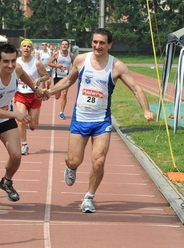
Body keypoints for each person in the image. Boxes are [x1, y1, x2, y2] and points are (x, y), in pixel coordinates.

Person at [46, 28, 155, 213]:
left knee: (99, 161)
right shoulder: (81, 60)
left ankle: (89, 197)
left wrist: (146, 110)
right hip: (80, 118)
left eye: (102, 43)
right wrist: (49, 92)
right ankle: (71, 168)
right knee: (73, 160)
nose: (98, 46)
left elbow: (136, 88)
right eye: (95, 42)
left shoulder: (117, 66)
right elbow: (68, 81)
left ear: (109, 45)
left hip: (101, 121)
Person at [0, 43, 46, 206]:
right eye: (6, 61)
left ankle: (6, 181)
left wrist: (35, 89)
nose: (11, 65)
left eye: (13, 61)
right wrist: (16, 114)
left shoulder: (17, 69)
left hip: (5, 119)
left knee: (16, 155)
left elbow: (24, 76)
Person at [14, 39, 49, 156]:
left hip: (34, 95)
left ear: (32, 49)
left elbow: (46, 76)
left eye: (29, 46)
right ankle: (24, 145)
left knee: (33, 125)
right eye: (24, 46)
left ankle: (32, 124)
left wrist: (40, 79)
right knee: (21, 120)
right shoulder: (15, 62)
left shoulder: (37, 63)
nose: (26, 48)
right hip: (20, 94)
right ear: (20, 48)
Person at [48, 39, 75, 120]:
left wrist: (72, 73)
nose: (64, 45)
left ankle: (61, 112)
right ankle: (57, 93)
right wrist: (57, 66)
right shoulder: (56, 54)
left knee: (64, 94)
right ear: (60, 45)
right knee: (57, 96)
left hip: (66, 77)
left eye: (66, 44)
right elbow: (49, 63)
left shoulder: (71, 55)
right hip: (57, 76)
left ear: (68, 46)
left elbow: (75, 66)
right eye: (63, 44)